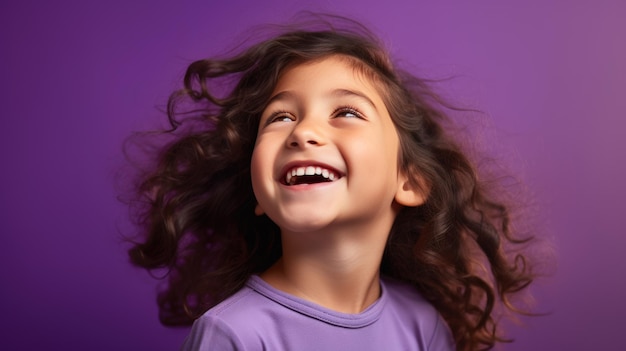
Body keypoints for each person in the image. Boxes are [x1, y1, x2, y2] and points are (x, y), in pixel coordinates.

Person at [126, 15, 536, 351]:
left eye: (346, 112)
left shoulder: (423, 326)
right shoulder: (234, 335)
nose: (303, 132)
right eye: (281, 117)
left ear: (411, 180)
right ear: (258, 194)